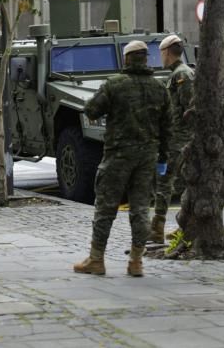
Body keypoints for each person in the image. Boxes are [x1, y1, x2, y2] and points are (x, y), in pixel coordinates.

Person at [74, 40, 172, 278]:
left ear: (127, 59)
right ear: (146, 59)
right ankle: (136, 262)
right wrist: (163, 157)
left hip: (118, 156)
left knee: (106, 208)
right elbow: (168, 127)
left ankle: (96, 259)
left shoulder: (114, 85)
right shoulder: (160, 89)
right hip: (147, 157)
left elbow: (91, 110)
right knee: (140, 210)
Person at [149, 34, 194, 243]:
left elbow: (190, 109)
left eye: (161, 53)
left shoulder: (182, 74)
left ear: (167, 53)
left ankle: (157, 229)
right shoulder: (176, 73)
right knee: (184, 184)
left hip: (179, 141)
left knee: (164, 183)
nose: (161, 57)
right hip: (175, 139)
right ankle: (187, 228)